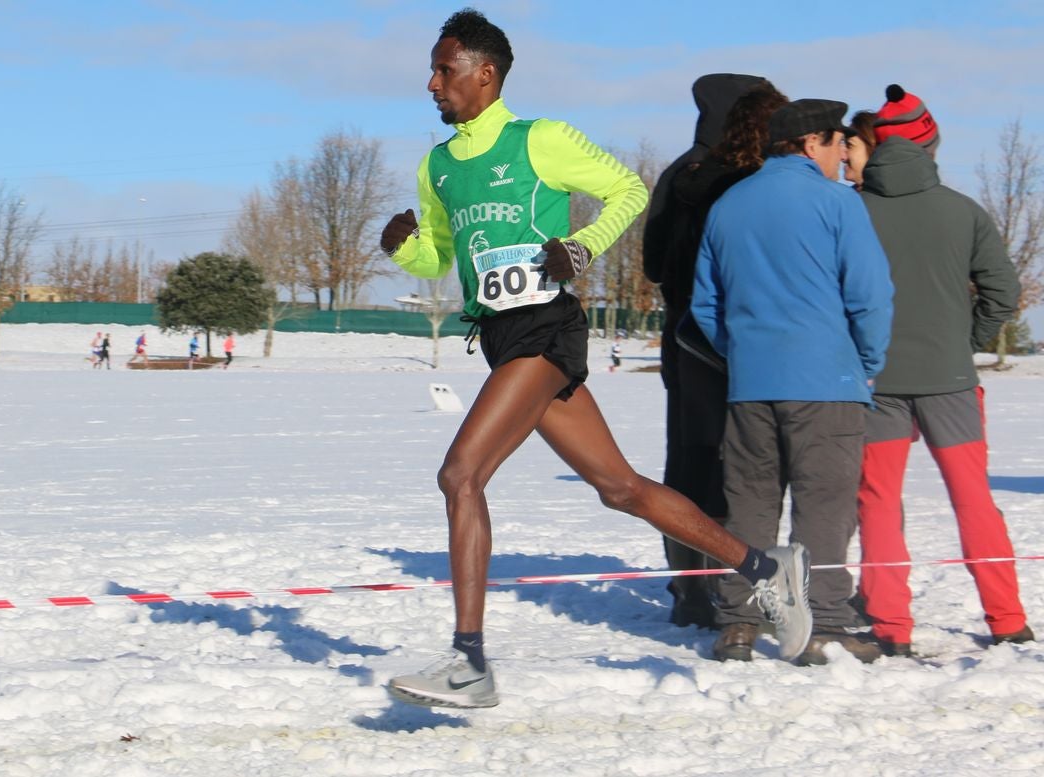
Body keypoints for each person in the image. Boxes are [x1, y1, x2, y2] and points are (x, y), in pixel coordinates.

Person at [379, 8, 812, 709]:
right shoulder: (436, 168)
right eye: (432, 70)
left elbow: (627, 190)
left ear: (485, 75)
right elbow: (440, 257)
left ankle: (469, 661)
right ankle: (764, 567)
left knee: (461, 473)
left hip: (546, 331)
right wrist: (405, 247)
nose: (433, 83)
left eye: (444, 69)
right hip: (500, 340)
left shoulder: (539, 140)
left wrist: (581, 248)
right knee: (621, 488)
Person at [691, 98, 894, 666]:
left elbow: (706, 304)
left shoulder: (729, 204)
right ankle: (825, 621)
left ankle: (738, 621)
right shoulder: (837, 204)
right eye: (837, 144)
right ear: (811, 144)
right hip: (827, 380)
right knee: (824, 506)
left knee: (749, 504)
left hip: (750, 383)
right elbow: (871, 294)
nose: (841, 157)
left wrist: (743, 353)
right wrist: (867, 359)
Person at [849, 86, 1033, 655]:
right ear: (927, 144)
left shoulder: (849, 209)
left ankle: (890, 628)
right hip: (951, 383)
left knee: (877, 502)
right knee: (973, 498)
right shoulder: (964, 210)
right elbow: (1003, 293)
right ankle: (1007, 620)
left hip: (875, 383)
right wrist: (965, 342)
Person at [644, 80, 789, 628]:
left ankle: (690, 588)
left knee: (687, 460)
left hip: (683, 339)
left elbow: (653, 265)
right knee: (747, 467)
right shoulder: (755, 178)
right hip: (744, 340)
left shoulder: (678, 175)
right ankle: (738, 587)